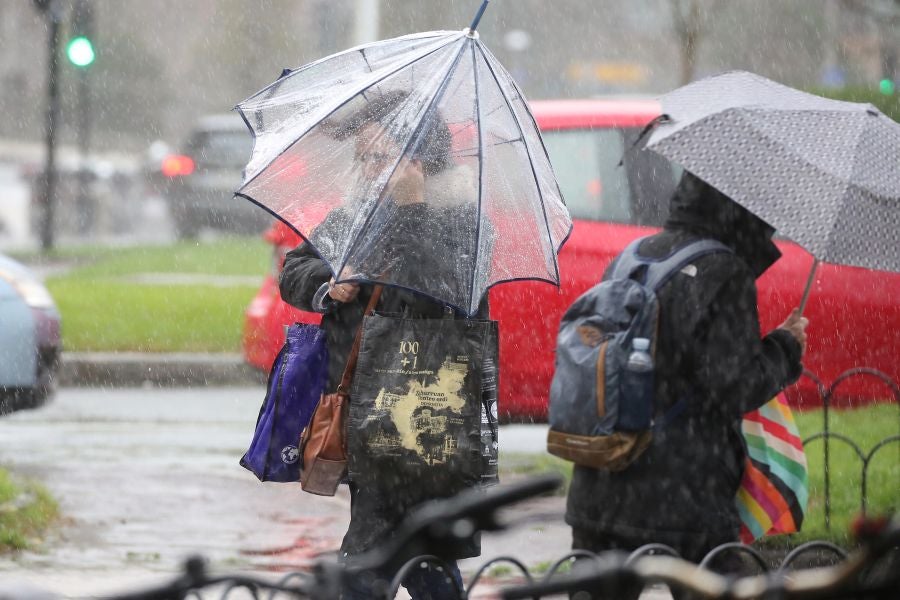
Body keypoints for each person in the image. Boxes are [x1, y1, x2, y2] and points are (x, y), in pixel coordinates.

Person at [279, 92, 489, 600]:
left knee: (378, 555)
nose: (368, 169)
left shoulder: (461, 218)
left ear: (419, 158)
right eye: (363, 157)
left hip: (425, 414)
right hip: (367, 410)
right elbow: (292, 270)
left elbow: (446, 298)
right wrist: (331, 281)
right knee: (420, 553)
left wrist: (413, 209)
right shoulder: (358, 215)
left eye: (379, 156)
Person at [564, 170, 809, 598]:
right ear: (738, 207)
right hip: (684, 493)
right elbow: (732, 387)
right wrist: (784, 348)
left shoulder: (632, 256)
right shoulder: (724, 271)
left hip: (602, 478)